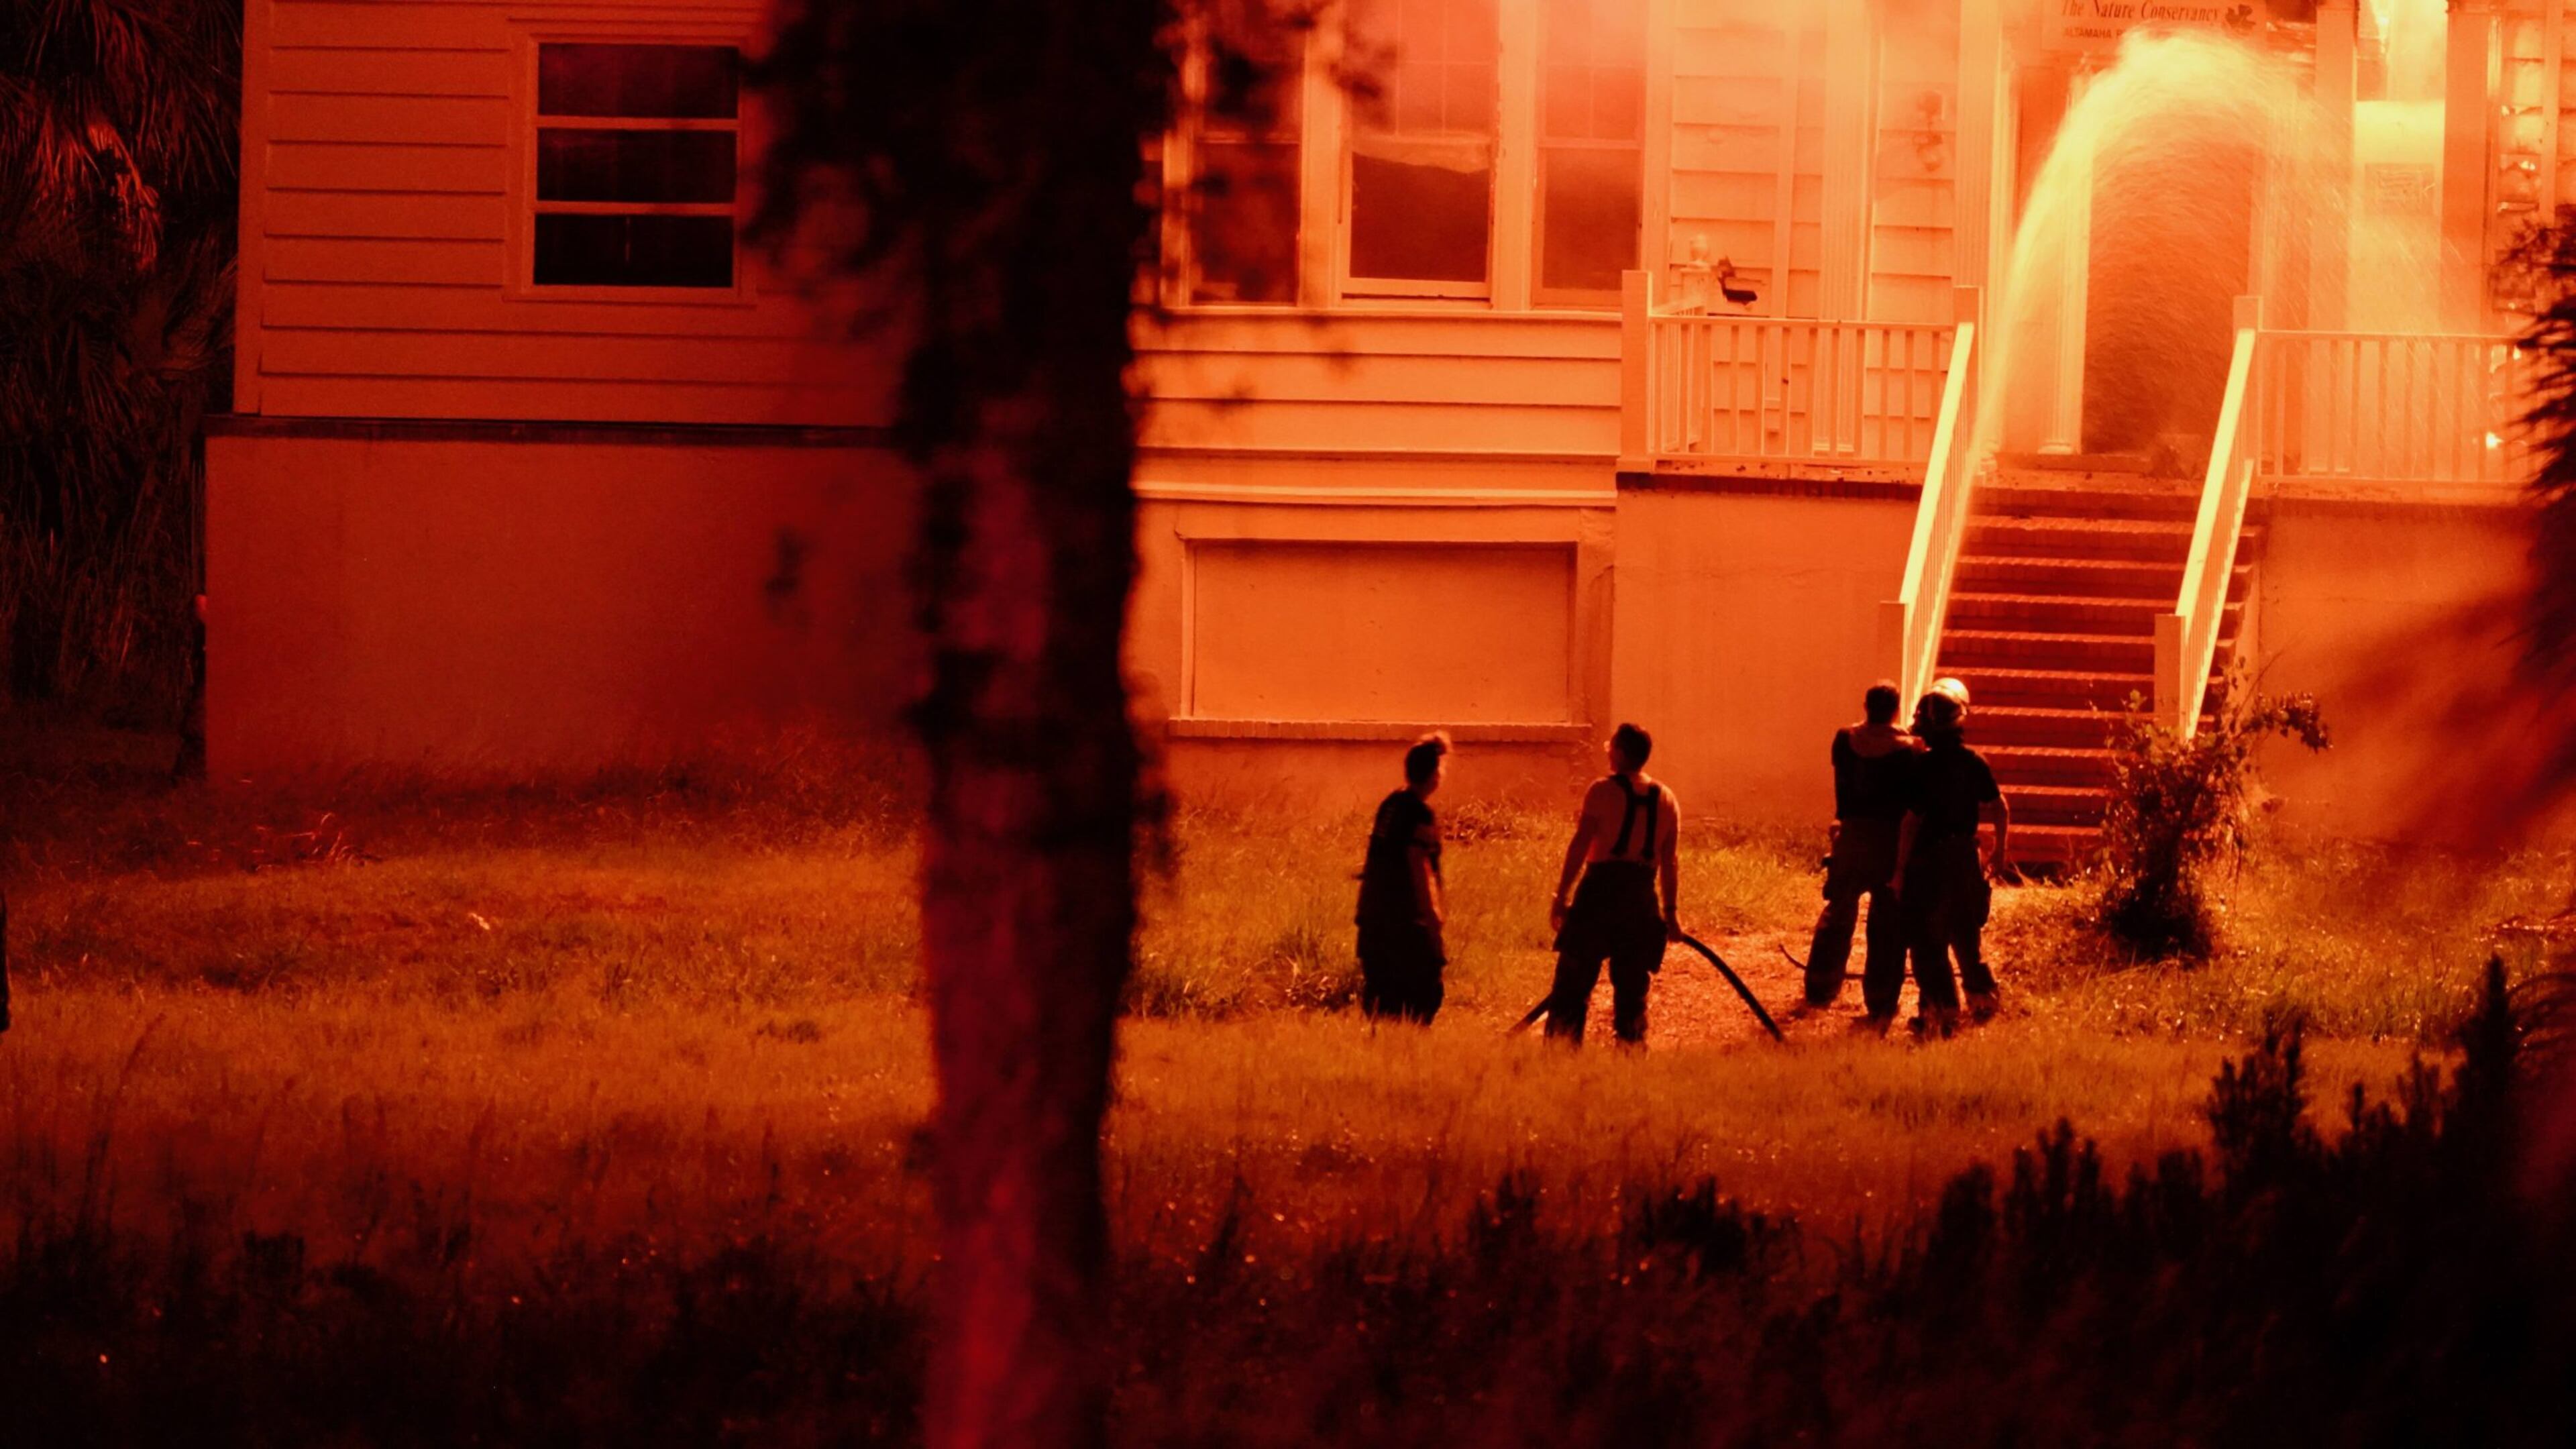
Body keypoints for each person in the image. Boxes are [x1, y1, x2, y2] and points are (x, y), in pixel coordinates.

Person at [1544, 722, 1681, 1046]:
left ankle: (1560, 1054)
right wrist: (1671, 913)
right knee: (1633, 987)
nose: (1607, 750)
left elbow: (1580, 845)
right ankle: (1631, 1052)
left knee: (1572, 984)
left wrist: (1562, 894)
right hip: (1640, 899)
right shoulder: (1667, 799)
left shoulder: (1601, 791)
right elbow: (1670, 862)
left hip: (1598, 894)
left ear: (1619, 753)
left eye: (1611, 746)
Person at [1888, 679, 2009, 1038]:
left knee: (1928, 940)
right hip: (1964, 856)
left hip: (1929, 860)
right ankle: (1983, 1000)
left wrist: (1898, 870)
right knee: (1966, 933)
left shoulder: (1921, 768)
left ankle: (1941, 1011)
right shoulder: (1974, 762)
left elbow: (1911, 821)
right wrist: (1999, 851)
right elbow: (1999, 807)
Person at [1803, 681, 1921, 1010]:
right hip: (1890, 840)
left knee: (1838, 913)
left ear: (1866, 706)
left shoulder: (1845, 740)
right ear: (1896, 710)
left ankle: (1820, 988)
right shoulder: (1910, 749)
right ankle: (1881, 999)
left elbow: (1841, 785)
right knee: (1886, 922)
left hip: (1852, 834)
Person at [1355, 732, 1452, 1024]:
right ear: (1435, 775)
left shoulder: (1391, 804)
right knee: (1422, 999)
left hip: (1374, 918)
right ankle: (1407, 1060)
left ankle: (1380, 1060)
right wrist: (1433, 924)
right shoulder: (1419, 815)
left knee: (1382, 1001)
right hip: (1406, 926)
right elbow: (1419, 870)